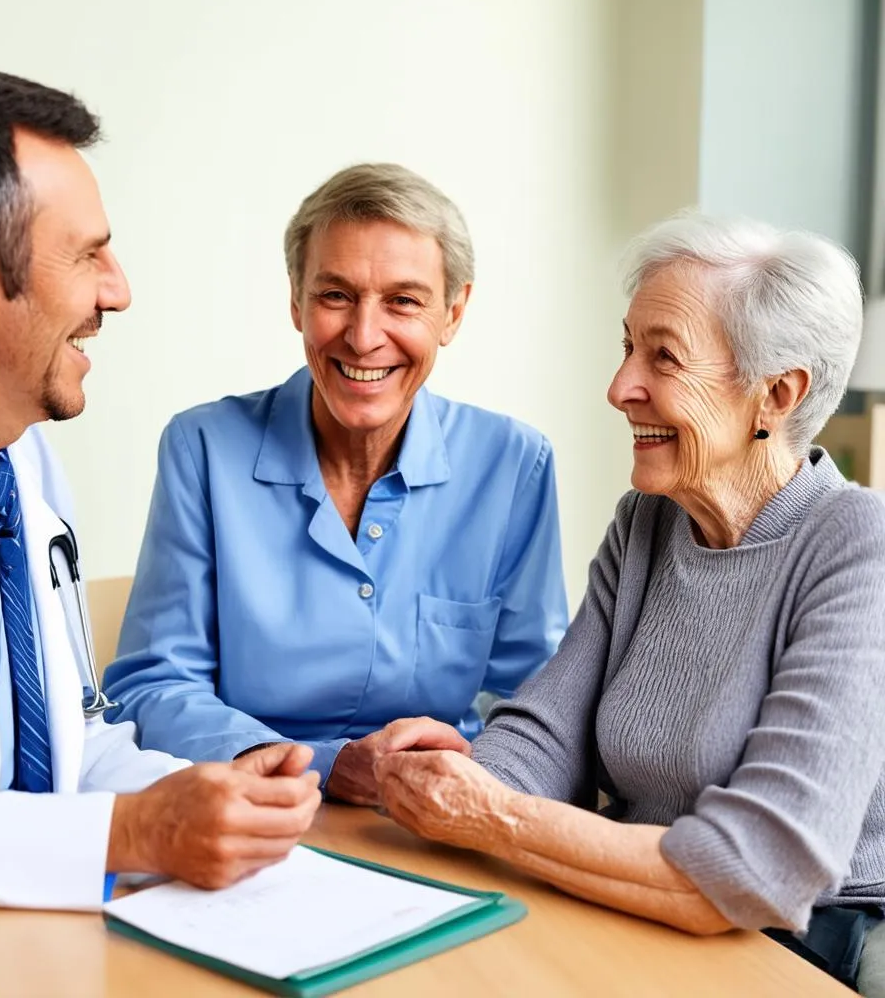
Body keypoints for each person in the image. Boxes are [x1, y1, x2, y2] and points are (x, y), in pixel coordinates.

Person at [0, 68, 320, 990]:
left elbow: (63, 741)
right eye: (89, 255)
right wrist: (139, 830)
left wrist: (210, 785)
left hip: (10, 943)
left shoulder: (14, 454)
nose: (119, 290)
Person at [374, 212, 885, 991]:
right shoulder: (649, 520)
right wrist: (457, 777)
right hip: (645, 910)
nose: (620, 389)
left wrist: (494, 817)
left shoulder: (858, 544)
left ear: (775, 395)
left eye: (664, 358)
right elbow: (549, 733)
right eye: (626, 347)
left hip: (812, 944)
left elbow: (760, 868)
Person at [102, 163, 568, 804]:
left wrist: (462, 782)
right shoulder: (203, 447)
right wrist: (323, 764)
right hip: (257, 805)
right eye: (335, 296)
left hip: (443, 813)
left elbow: (540, 702)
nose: (364, 336)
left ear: (453, 312)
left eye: (403, 300)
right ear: (296, 300)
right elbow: (153, 685)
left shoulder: (514, 463)